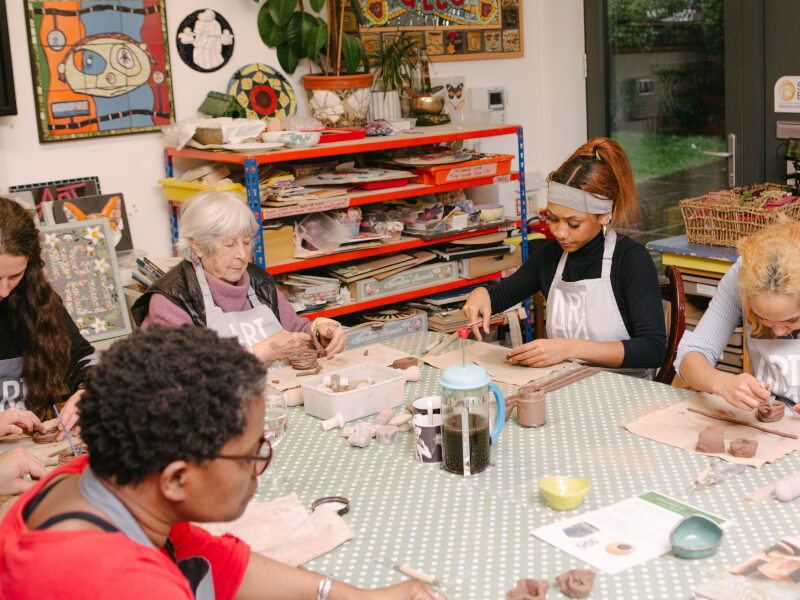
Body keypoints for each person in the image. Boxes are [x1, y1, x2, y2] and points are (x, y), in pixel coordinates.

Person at [0, 325, 444, 600]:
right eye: (252, 453)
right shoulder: (121, 583)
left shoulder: (96, 480)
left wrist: (350, 596)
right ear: (177, 479)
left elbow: (217, 562)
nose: (260, 468)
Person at [462, 138, 666, 376]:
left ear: (604, 216)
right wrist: (481, 295)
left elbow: (653, 348)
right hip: (564, 384)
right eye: (553, 218)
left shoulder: (631, 260)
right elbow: (498, 297)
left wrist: (568, 348)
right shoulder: (549, 257)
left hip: (624, 392)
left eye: (573, 223)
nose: (559, 232)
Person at [132, 191, 347, 367]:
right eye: (229, 245)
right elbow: (182, 372)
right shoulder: (172, 299)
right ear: (197, 245)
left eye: (246, 242)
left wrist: (319, 334)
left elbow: (294, 331)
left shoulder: (257, 281)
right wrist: (261, 353)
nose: (242, 255)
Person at [676, 222, 800, 411]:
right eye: (762, 318)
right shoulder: (741, 277)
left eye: (791, 320)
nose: (778, 330)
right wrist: (721, 382)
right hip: (770, 416)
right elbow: (690, 355)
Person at [0, 197, 95, 438]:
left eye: (15, 275)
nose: (4, 290)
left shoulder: (36, 299)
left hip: (29, 447)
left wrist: (88, 391)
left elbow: (86, 357)